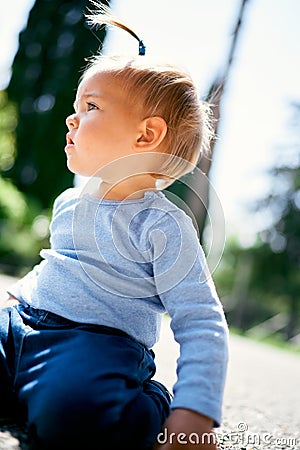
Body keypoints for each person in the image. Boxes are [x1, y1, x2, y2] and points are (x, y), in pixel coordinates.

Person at [0, 5, 228, 450]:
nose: (71, 118)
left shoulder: (163, 225)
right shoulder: (70, 201)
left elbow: (201, 321)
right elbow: (58, 266)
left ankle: (143, 405)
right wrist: (20, 295)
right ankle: (35, 404)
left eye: (90, 106)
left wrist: (194, 413)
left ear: (146, 136)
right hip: (23, 325)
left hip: (94, 348)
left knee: (73, 409)